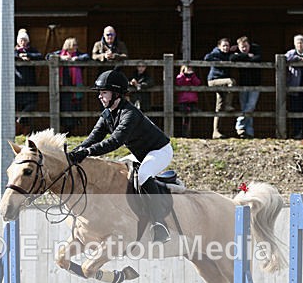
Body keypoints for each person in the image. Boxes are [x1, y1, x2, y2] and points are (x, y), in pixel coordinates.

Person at [67, 70, 173, 243]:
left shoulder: (129, 114)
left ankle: (160, 224)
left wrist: (87, 152)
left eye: (104, 93)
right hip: (140, 154)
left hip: (160, 151)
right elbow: (93, 138)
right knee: (117, 171)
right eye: (100, 93)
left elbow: (114, 141)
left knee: (143, 175)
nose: (100, 97)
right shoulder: (108, 114)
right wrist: (74, 152)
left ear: (116, 93)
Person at [47, 37, 90, 135]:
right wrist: (61, 58)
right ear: (68, 45)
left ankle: (72, 130)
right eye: (74, 45)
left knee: (76, 107)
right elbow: (48, 56)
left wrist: (77, 59)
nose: (76, 47)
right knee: (65, 107)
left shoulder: (77, 54)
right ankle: (66, 130)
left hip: (76, 86)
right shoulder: (60, 53)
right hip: (64, 85)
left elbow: (87, 56)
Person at [204, 37, 237, 139]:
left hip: (222, 83)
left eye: (227, 46)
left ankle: (216, 132)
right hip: (214, 81)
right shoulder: (216, 52)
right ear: (219, 46)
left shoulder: (228, 55)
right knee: (231, 81)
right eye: (224, 46)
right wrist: (219, 60)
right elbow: (207, 57)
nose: (226, 48)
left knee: (219, 107)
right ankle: (228, 105)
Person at [229, 36, 262, 138]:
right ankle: (248, 132)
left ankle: (239, 124)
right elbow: (232, 58)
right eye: (242, 47)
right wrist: (247, 56)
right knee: (245, 108)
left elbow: (258, 58)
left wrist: (242, 56)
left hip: (255, 84)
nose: (244, 49)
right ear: (238, 47)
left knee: (251, 106)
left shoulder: (256, 49)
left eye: (246, 46)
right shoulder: (239, 53)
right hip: (243, 84)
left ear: (249, 45)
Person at [15, 29, 42, 133]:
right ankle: (21, 131)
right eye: (21, 40)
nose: (23, 42)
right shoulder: (15, 50)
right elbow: (9, 56)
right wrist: (19, 56)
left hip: (30, 82)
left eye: (25, 40)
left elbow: (40, 56)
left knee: (31, 104)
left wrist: (28, 56)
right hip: (18, 83)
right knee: (19, 106)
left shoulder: (31, 50)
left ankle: (22, 123)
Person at [175, 65, 201, 137]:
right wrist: (184, 75)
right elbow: (179, 83)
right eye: (187, 69)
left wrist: (192, 76)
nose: (189, 71)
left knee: (193, 114)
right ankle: (184, 133)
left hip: (192, 101)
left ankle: (189, 133)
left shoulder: (193, 77)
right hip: (183, 101)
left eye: (190, 69)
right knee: (184, 115)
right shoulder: (180, 76)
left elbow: (198, 83)